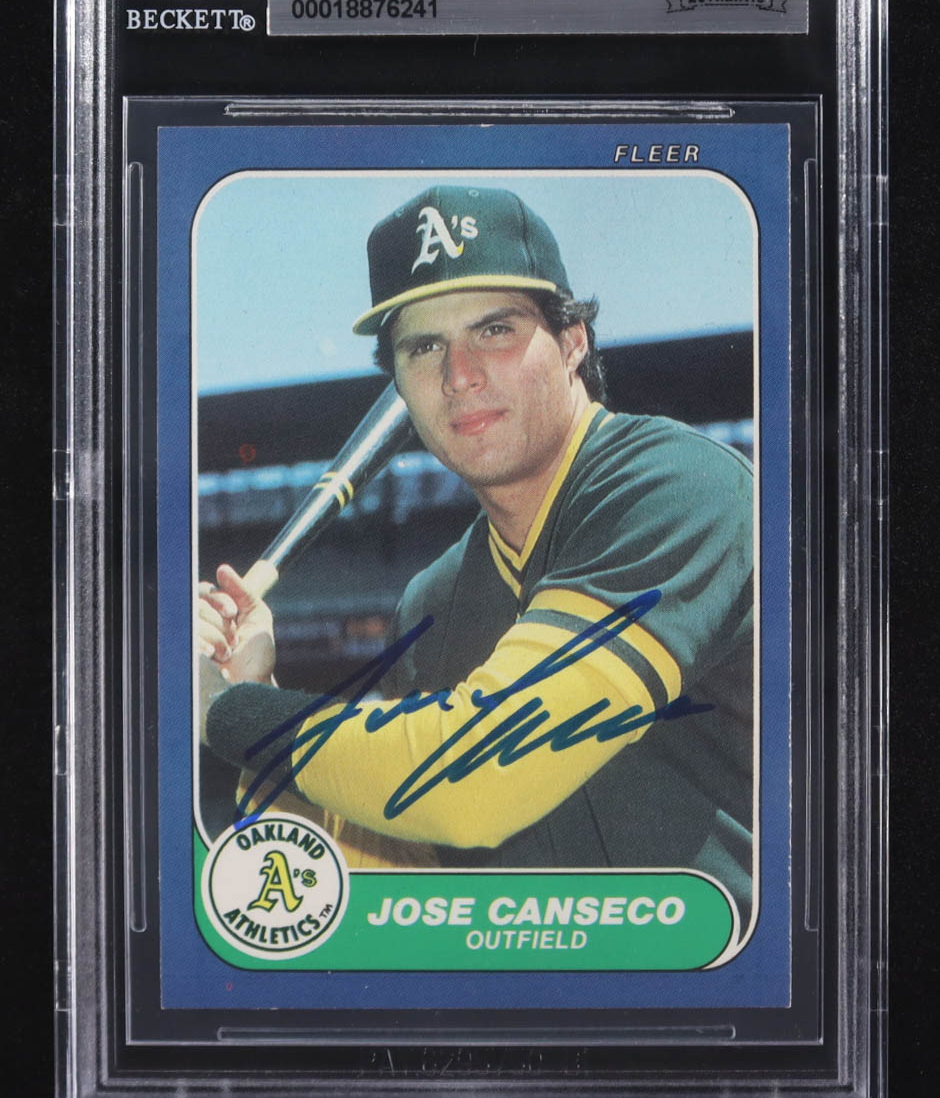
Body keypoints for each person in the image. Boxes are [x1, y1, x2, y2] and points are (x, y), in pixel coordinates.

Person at [198, 185, 754, 915]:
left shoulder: (677, 486)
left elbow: (477, 774)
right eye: (423, 346)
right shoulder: (432, 601)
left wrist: (226, 713)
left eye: (495, 329)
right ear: (400, 384)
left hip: (720, 966)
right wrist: (255, 685)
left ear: (574, 341)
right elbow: (373, 879)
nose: (458, 375)